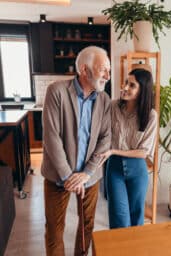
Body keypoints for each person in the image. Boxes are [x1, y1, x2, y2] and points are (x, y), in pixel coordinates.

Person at [41, 46, 111, 256]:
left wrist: (86, 173)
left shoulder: (104, 100)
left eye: (108, 70)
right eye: (102, 70)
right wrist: (69, 177)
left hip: (90, 177)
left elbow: (105, 139)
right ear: (84, 69)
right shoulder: (57, 91)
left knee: (86, 227)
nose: (107, 76)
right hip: (57, 178)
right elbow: (51, 138)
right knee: (54, 230)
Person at [98, 68, 158, 228]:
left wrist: (114, 151)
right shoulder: (112, 107)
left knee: (136, 217)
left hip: (138, 170)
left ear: (142, 90)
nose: (125, 88)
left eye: (132, 85)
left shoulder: (150, 115)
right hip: (114, 169)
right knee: (119, 218)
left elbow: (143, 152)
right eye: (125, 83)